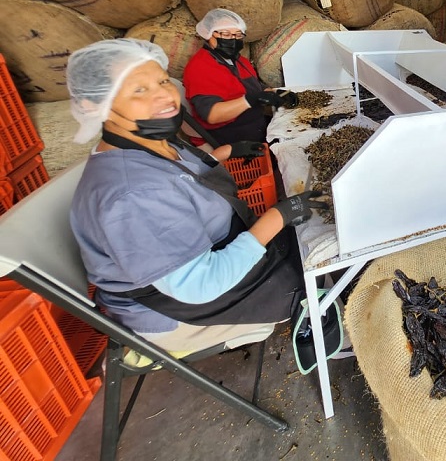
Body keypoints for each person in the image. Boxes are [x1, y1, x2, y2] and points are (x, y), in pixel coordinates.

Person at [67, 38, 326, 355]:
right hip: (176, 309)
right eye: (138, 90)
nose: (164, 94)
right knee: (314, 272)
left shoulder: (146, 142)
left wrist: (226, 153)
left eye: (162, 80)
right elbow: (201, 285)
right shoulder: (131, 196)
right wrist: (279, 215)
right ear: (97, 106)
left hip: (202, 254)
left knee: (304, 243)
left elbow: (180, 178)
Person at [182, 8, 295, 147]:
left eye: (237, 35)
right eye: (226, 34)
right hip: (229, 139)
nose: (233, 40)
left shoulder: (240, 60)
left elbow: (257, 89)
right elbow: (212, 115)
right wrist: (250, 100)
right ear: (209, 35)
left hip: (255, 127)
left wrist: (279, 94)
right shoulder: (199, 67)